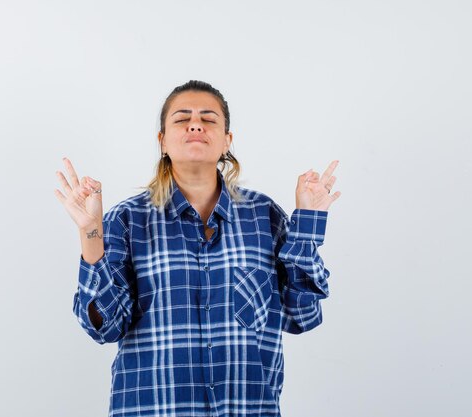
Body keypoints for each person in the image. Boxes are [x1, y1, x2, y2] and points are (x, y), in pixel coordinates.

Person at [55, 80, 341, 417]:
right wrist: (91, 233)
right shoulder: (126, 220)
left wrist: (307, 221)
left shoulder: (264, 216)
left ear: (227, 141)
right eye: (181, 119)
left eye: (209, 118)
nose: (195, 124)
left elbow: (301, 316)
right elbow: (104, 327)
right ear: (161, 141)